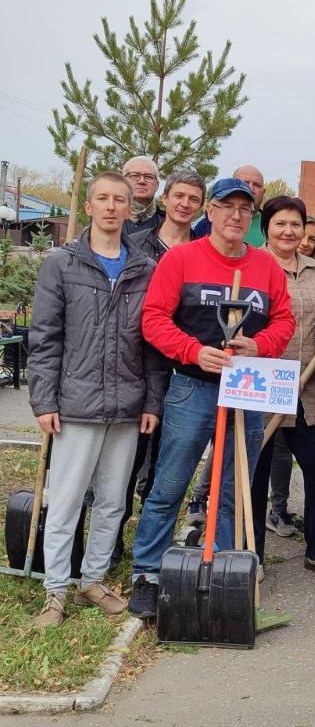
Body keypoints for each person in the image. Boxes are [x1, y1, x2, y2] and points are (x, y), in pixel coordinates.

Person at [128, 178, 295, 620]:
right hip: (192, 386)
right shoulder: (183, 258)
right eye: (227, 206)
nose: (236, 215)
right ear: (211, 212)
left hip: (245, 389)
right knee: (170, 483)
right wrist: (194, 350)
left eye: (245, 208)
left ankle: (219, 567)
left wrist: (260, 346)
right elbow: (154, 319)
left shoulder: (265, 267)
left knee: (233, 486)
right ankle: (147, 572)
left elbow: (284, 321)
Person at [29, 172, 164, 629]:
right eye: (102, 199)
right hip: (76, 404)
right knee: (65, 500)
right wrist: (44, 400)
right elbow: (45, 339)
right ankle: (55, 590)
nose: (111, 207)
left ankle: (93, 578)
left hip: (128, 405)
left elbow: (152, 344)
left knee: (111, 500)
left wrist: (152, 401)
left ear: (130, 208)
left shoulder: (145, 268)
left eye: (119, 200)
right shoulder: (62, 264)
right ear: (89, 206)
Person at [113, 170, 206, 566]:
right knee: (126, 459)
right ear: (165, 199)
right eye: (179, 196)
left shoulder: (205, 250)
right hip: (135, 363)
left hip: (183, 368)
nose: (185, 204)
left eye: (193, 199)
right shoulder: (133, 246)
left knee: (166, 465)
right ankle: (113, 537)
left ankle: (154, 545)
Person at [245, 196, 315, 575]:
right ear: (267, 228)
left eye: (295, 224)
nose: (288, 231)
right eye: (280, 224)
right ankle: (250, 555)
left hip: (308, 384)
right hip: (261, 382)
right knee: (255, 466)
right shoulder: (251, 265)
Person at [192, 165, 266, 246]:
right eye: (245, 182)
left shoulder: (273, 224)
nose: (251, 188)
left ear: (263, 191)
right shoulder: (202, 224)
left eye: (257, 185)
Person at [122, 156, 165, 235]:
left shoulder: (168, 223)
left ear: (157, 185)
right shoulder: (104, 219)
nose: (141, 181)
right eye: (134, 176)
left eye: (148, 177)